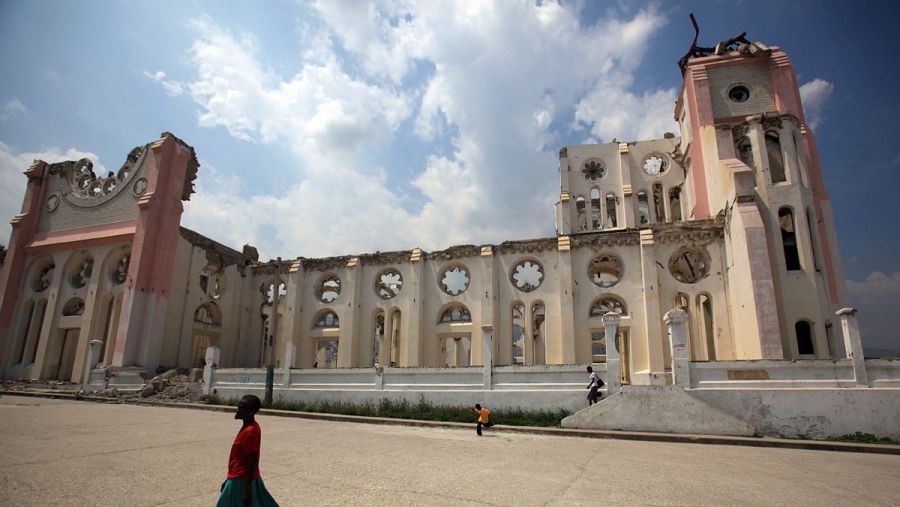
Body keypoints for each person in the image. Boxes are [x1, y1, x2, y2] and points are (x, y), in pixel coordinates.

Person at [216, 395, 279, 507]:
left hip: (240, 480)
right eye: (239, 406)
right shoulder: (251, 426)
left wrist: (247, 487)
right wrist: (228, 479)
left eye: (242, 407)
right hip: (241, 477)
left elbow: (252, 458)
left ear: (252, 412)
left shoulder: (249, 431)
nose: (238, 409)